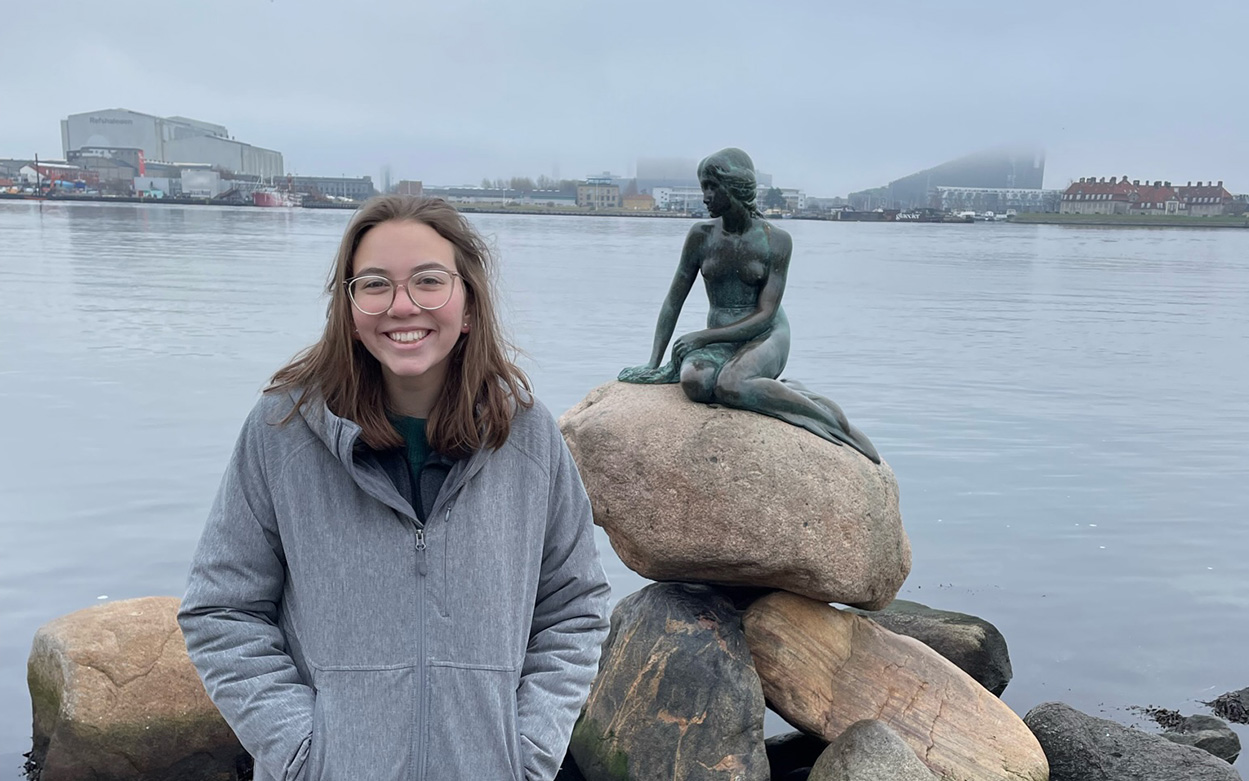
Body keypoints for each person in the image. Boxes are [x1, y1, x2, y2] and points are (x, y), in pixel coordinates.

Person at [178, 196, 611, 781]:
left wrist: (527, 752)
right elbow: (222, 610)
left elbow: (574, 608)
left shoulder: (527, 436)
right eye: (375, 284)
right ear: (349, 308)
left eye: (429, 281)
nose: (402, 305)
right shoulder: (282, 431)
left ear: (469, 305)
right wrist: (305, 755)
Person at [619, 147, 880, 464]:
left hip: (766, 335)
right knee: (695, 382)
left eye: (712, 187)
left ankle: (830, 419)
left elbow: (765, 314)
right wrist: (653, 362)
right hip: (721, 338)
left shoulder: (776, 240)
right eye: (704, 187)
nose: (706, 196)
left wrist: (701, 338)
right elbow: (674, 299)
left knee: (732, 385)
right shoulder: (700, 236)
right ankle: (777, 390)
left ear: (736, 187)